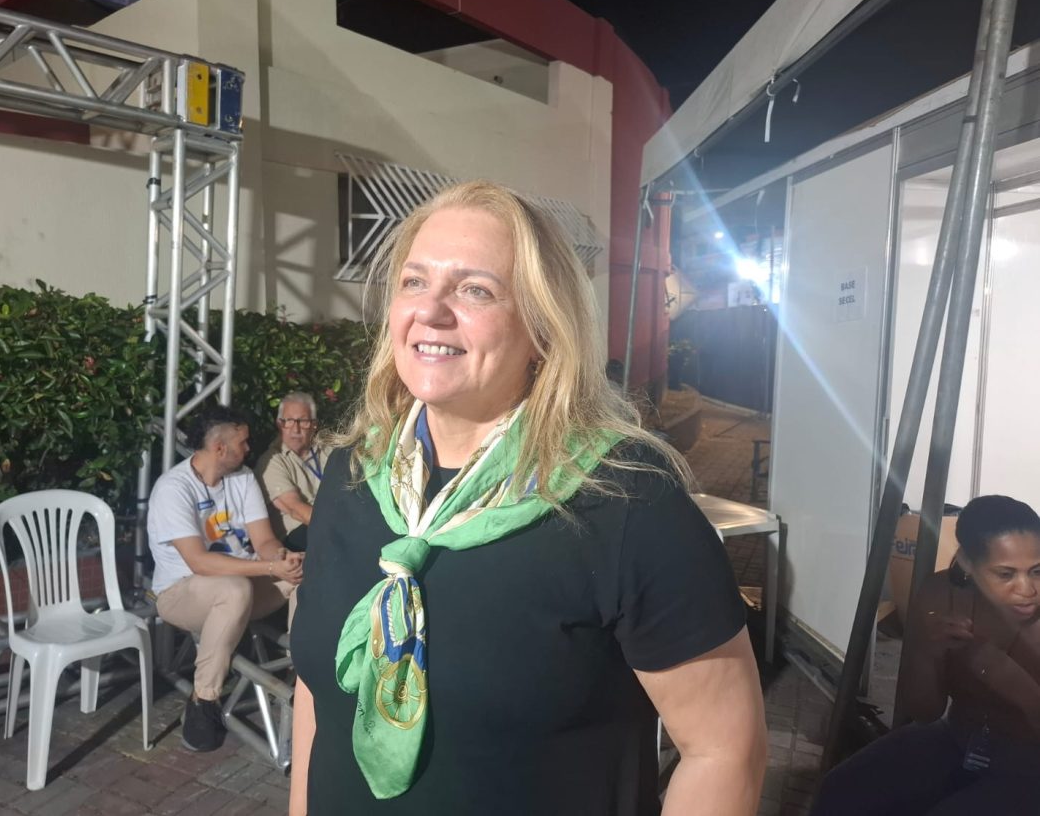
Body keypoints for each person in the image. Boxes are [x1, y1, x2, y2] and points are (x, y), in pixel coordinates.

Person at [289, 181, 766, 815]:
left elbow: (724, 751)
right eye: (414, 282)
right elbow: (316, 687)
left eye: (475, 290)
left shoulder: (624, 498)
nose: (430, 310)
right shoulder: (354, 473)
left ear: (543, 328)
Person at [811, 495, 1040, 815]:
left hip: (1030, 764)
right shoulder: (941, 595)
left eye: (1037, 571)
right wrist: (929, 656)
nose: (1027, 589)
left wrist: (1003, 674)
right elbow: (925, 711)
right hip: (958, 739)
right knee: (840, 791)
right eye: (1006, 574)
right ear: (967, 564)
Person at [147, 404, 304, 752]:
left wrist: (282, 558)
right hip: (180, 593)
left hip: (242, 586)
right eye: (243, 442)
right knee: (233, 589)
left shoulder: (242, 477)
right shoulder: (174, 488)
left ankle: (302, 674)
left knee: (301, 574)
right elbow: (200, 562)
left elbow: (263, 541)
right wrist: (269, 569)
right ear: (220, 448)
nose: (248, 448)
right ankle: (203, 699)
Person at [255, 391, 332, 553]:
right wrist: (339, 525)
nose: (295, 429)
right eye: (289, 421)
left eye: (303, 421)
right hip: (297, 533)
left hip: (331, 522)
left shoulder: (328, 451)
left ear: (314, 424)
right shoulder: (272, 461)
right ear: (279, 424)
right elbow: (295, 509)